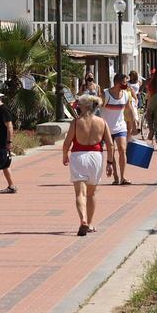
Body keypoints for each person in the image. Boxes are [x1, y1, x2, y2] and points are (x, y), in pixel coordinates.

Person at [62, 94, 115, 236]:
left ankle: (83, 220)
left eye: (79, 105)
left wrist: (64, 155)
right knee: (91, 194)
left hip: (78, 157)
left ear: (85, 106)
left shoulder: (76, 122)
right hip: (95, 158)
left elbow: (67, 143)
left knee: (80, 193)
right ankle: (90, 224)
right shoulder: (102, 122)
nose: (77, 107)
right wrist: (110, 162)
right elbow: (110, 144)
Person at [102, 73, 137, 186]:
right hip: (106, 128)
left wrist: (134, 124)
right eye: (124, 82)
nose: (126, 84)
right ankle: (116, 177)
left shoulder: (126, 94)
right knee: (111, 152)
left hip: (120, 127)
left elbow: (129, 109)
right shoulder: (106, 94)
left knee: (122, 149)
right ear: (117, 83)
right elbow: (99, 107)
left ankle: (123, 177)